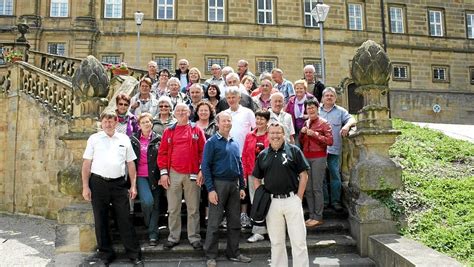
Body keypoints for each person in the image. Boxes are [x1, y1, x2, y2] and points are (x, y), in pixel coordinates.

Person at [81, 111, 142, 266]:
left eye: (111, 121)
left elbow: (130, 164)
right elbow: (86, 164)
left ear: (116, 123)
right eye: (105, 121)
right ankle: (105, 254)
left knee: (125, 218)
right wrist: (85, 186)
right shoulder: (94, 139)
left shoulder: (124, 139)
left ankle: (134, 255)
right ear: (101, 123)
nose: (108, 124)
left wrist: (133, 185)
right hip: (98, 184)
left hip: (119, 184)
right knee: (101, 219)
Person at [253, 121, 310, 267]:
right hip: (272, 203)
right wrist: (261, 197)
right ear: (268, 135)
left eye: (278, 133)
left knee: (298, 241)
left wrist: (299, 197)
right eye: (272, 133)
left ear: (283, 134)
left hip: (292, 200)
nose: (275, 136)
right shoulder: (263, 155)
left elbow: (304, 175)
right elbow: (257, 178)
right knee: (276, 242)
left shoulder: (294, 151)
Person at [202, 111, 252, 267]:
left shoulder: (235, 142)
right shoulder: (211, 142)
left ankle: (234, 253)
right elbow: (205, 166)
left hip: (234, 186)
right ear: (218, 123)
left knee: (235, 222)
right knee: (214, 223)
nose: (226, 123)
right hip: (218, 185)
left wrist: (242, 186)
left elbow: (240, 165)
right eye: (223, 121)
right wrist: (210, 189)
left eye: (229, 120)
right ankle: (210, 255)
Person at [157, 103, 206, 251]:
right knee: (173, 208)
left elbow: (204, 152)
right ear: (174, 113)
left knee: (193, 208)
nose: (181, 112)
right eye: (178, 110)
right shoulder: (168, 131)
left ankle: (194, 237)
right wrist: (164, 173)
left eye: (184, 110)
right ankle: (173, 237)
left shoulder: (196, 129)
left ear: (189, 112)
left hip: (192, 173)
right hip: (173, 173)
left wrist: (201, 170)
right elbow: (162, 153)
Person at [319, 87, 356, 211]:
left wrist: (346, 126)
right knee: (321, 176)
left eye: (332, 96)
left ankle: (335, 201)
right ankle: (324, 202)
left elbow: (352, 119)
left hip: (334, 149)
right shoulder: (317, 110)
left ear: (335, 98)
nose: (329, 97)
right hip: (319, 150)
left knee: (335, 174)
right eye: (327, 95)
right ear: (323, 98)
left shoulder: (340, 111)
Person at [300, 98, 333, 228]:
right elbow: (303, 142)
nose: (311, 110)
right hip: (307, 157)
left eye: (313, 107)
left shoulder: (324, 123)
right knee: (308, 189)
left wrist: (314, 134)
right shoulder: (306, 122)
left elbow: (330, 141)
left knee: (316, 188)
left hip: (319, 157)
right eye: (308, 108)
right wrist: (302, 134)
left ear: (317, 109)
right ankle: (312, 215)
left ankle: (318, 217)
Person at [130, 113, 162, 246]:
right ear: (139, 125)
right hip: (141, 176)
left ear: (152, 123)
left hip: (156, 176)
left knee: (156, 205)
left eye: (148, 121)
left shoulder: (158, 139)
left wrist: (163, 175)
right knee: (147, 202)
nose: (147, 124)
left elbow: (163, 157)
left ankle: (153, 234)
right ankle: (148, 223)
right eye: (143, 122)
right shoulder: (133, 140)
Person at [242, 109, 270, 243]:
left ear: (267, 121)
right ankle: (258, 232)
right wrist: (244, 174)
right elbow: (244, 156)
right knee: (256, 203)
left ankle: (272, 230)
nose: (259, 121)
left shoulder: (272, 134)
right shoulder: (249, 136)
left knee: (271, 202)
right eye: (257, 118)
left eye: (262, 119)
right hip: (253, 174)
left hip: (270, 174)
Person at [225, 86, 256, 155]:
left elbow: (256, 129)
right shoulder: (224, 114)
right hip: (228, 153)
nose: (231, 100)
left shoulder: (248, 112)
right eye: (228, 98)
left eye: (233, 97)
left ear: (239, 98)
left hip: (245, 152)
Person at [285, 80, 315, 146]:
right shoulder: (291, 100)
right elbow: (286, 113)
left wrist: (308, 116)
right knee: (297, 147)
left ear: (305, 89)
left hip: (308, 129)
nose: (299, 90)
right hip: (295, 129)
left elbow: (317, 112)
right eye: (297, 88)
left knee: (307, 147)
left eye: (301, 88)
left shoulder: (311, 98)